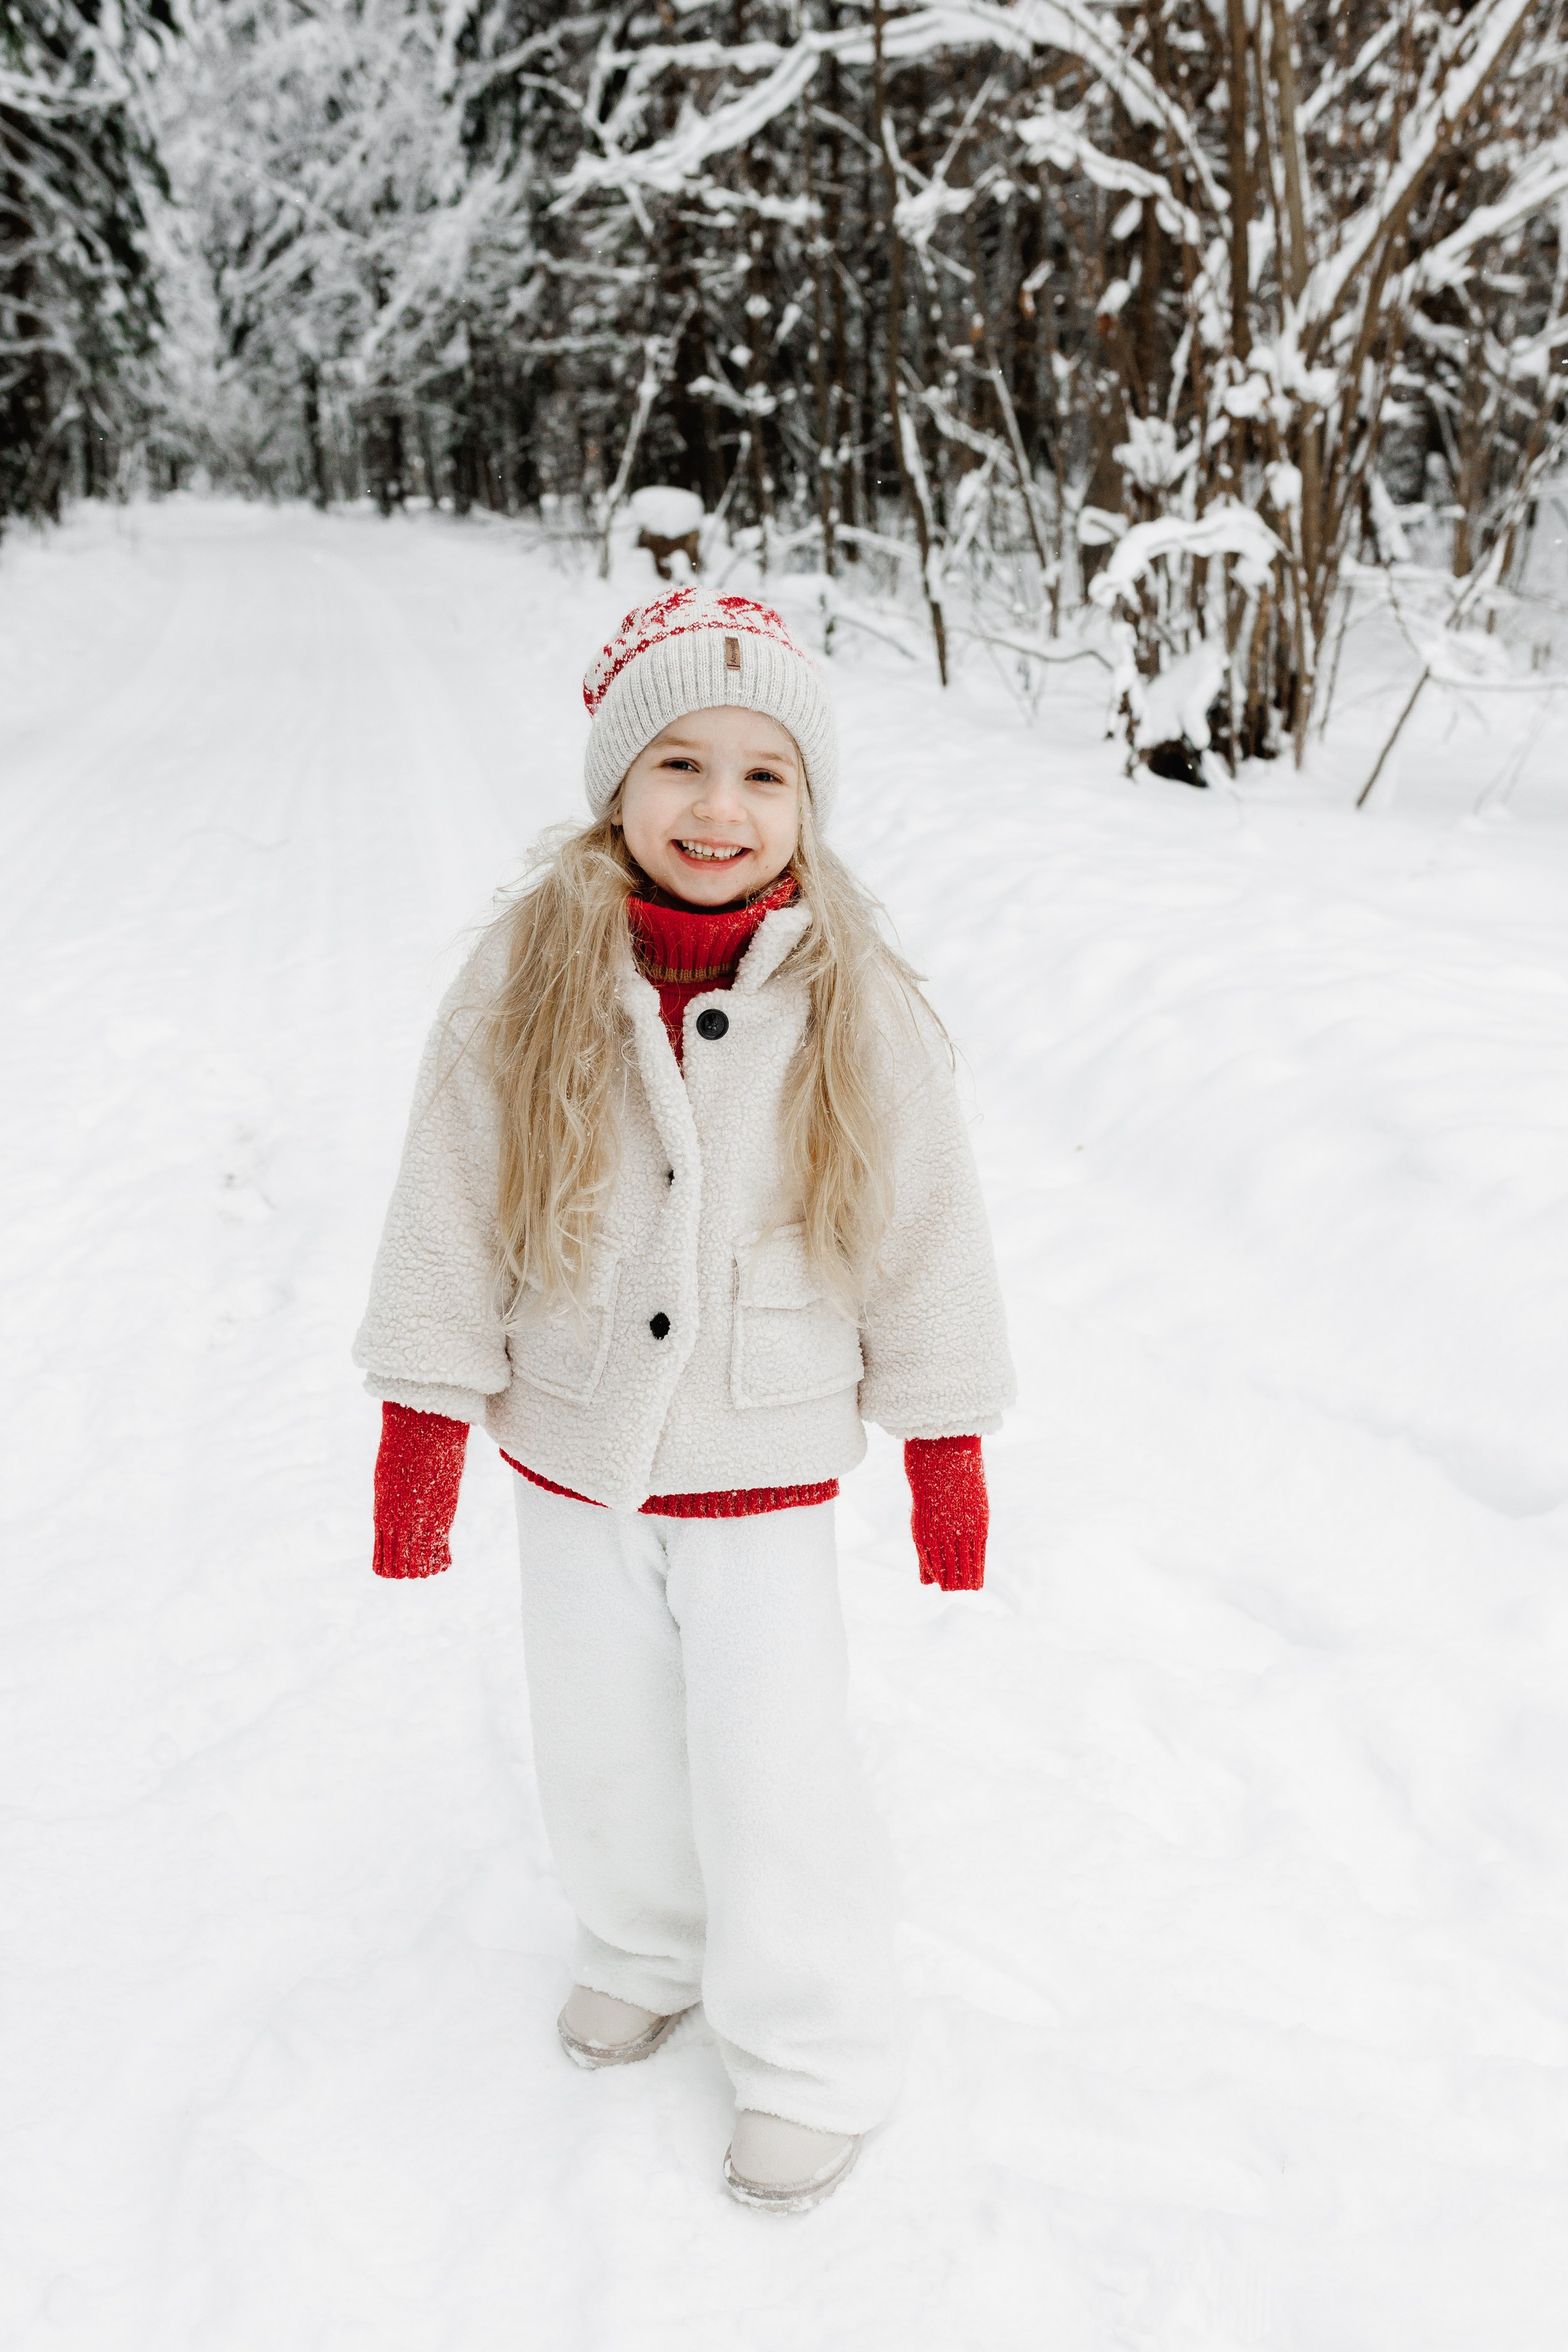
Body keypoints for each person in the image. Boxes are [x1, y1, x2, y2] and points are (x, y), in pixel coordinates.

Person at [354, 587, 1014, 2212]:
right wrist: (423, 1417)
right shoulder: (527, 971)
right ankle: (643, 1945)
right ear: (617, 782)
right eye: (680, 765)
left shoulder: (853, 990)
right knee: (598, 1737)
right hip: (575, 1438)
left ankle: (814, 2050)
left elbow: (927, 1219)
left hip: (762, 1445)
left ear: (806, 799)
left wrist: (943, 1436)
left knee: (771, 1765)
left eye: (764, 773)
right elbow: (448, 1195)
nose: (720, 808)